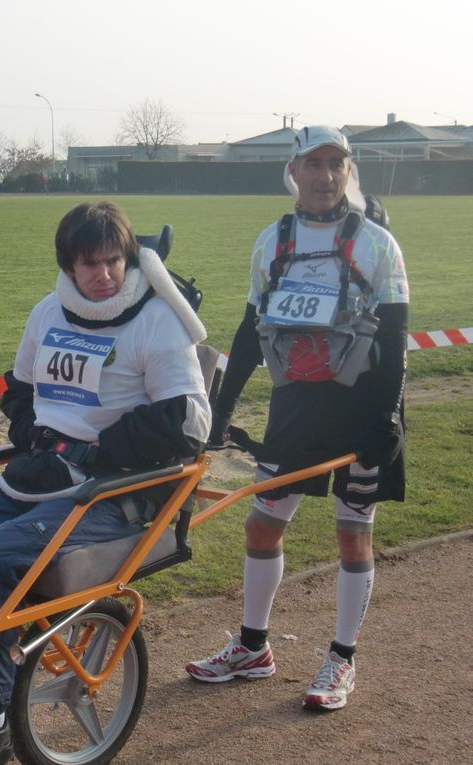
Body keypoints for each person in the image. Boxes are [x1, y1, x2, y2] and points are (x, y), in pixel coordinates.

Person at [0, 201, 211, 765]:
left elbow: (187, 423)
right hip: (42, 478)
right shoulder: (48, 313)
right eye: (89, 264)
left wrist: (99, 448)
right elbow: (21, 389)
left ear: (129, 259)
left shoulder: (156, 322)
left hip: (116, 492)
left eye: (113, 261)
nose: (103, 275)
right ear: (69, 265)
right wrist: (35, 432)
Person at [185, 126, 409, 711]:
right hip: (296, 407)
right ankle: (254, 648)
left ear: (348, 172)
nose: (326, 175)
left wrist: (384, 418)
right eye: (315, 163)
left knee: (353, 533)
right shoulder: (273, 240)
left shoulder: (376, 242)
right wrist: (220, 408)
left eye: (337, 164)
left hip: (364, 407)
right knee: (262, 525)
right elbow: (250, 330)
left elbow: (396, 334)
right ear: (293, 171)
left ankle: (342, 659)